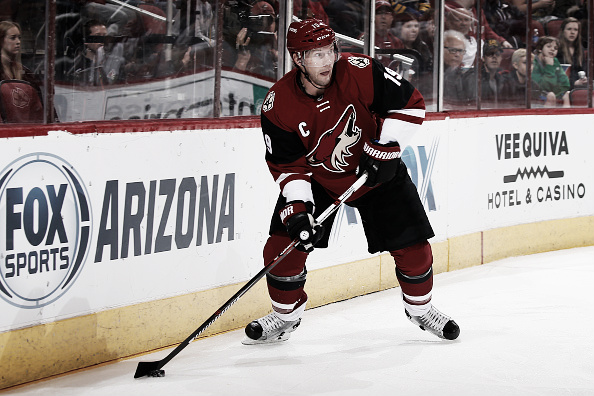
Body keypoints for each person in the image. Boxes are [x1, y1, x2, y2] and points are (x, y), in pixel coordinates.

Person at [243, 18, 460, 345]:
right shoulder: (278, 104)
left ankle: (420, 309)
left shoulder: (360, 70)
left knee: (413, 247)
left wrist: (385, 147)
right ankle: (286, 316)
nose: (327, 60)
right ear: (298, 60)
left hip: (376, 172)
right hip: (320, 180)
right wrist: (299, 208)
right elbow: (288, 165)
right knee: (281, 248)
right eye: (315, 55)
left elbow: (411, 104)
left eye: (329, 51)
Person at [223, 0, 278, 80]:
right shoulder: (229, 49)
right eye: (258, 21)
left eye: (269, 20)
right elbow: (229, 87)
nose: (263, 25)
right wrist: (242, 58)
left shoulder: (277, 52)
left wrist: (280, 58)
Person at [67, 19, 127, 86]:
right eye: (97, 36)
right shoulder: (76, 65)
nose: (102, 40)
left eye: (104, 36)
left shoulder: (113, 61)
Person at [359, 1, 404, 69]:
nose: (383, 17)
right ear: (372, 17)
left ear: (392, 18)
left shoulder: (397, 42)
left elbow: (403, 65)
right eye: (379, 13)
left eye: (387, 13)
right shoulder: (364, 38)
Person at [532, 36, 571, 107]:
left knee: (566, 94)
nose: (552, 49)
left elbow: (565, 84)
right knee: (551, 95)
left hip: (553, 91)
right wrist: (549, 66)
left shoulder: (555, 61)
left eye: (555, 48)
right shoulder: (533, 62)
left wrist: (555, 89)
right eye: (549, 46)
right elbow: (542, 86)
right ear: (540, 49)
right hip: (536, 94)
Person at [442, 29, 474, 107]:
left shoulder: (466, 77)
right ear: (441, 48)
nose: (457, 55)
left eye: (461, 51)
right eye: (453, 50)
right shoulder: (431, 73)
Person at [556, 17, 587, 90]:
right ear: (562, 31)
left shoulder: (579, 49)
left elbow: (582, 69)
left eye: (575, 30)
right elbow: (557, 74)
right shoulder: (557, 48)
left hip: (578, 86)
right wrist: (574, 83)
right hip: (561, 86)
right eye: (569, 29)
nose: (572, 32)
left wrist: (584, 79)